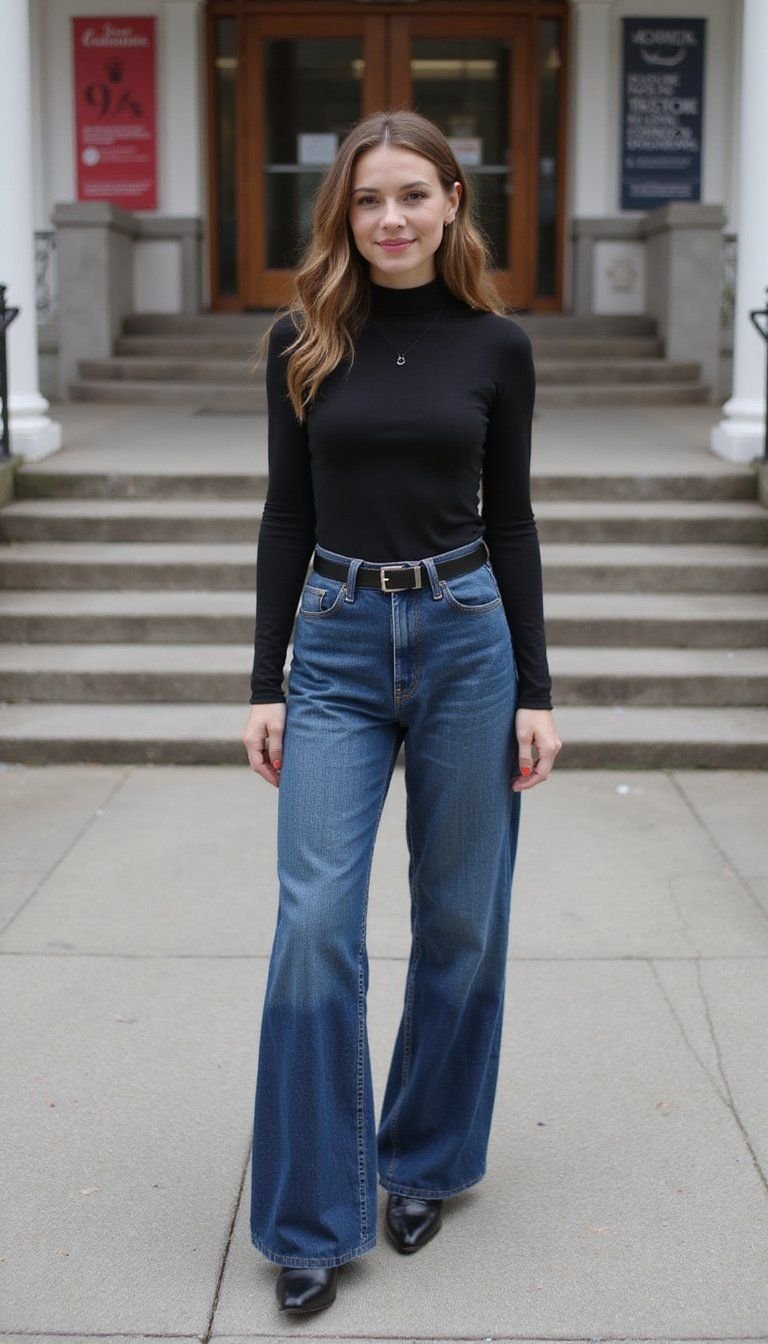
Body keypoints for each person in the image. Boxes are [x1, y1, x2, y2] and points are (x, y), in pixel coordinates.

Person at [242, 108, 562, 1316]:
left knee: (462, 918)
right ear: (345, 210)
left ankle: (424, 1157)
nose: (392, 219)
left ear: (452, 203)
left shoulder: (498, 346)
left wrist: (537, 690)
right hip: (332, 645)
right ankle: (314, 1214)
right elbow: (284, 517)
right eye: (370, 199)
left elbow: (515, 521)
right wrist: (263, 680)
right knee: (317, 922)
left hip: (467, 640)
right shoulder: (301, 338)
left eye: (414, 196)